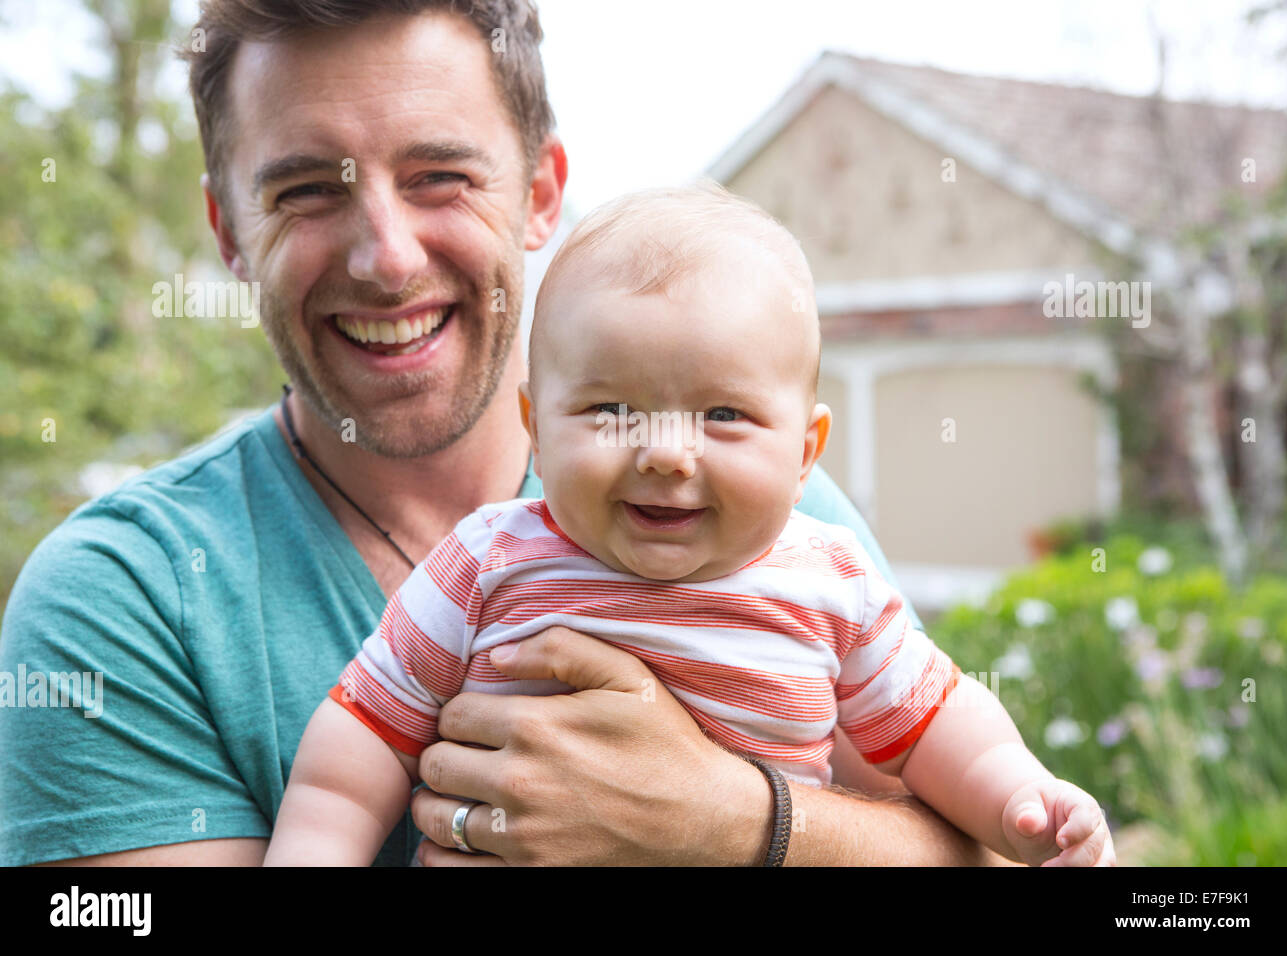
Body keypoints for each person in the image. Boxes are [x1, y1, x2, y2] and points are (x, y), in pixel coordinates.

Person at [0, 0, 1025, 866]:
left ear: (539, 193)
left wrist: (733, 815)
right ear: (228, 229)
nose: (386, 259)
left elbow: (974, 840)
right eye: (307, 189)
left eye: (440, 175)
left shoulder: (777, 513)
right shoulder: (124, 596)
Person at [263, 185, 1115, 867]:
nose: (666, 453)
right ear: (538, 423)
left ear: (806, 448)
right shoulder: (489, 560)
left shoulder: (830, 580)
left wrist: (1021, 801)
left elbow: (938, 724)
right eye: (609, 409)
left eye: (722, 414)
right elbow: (360, 739)